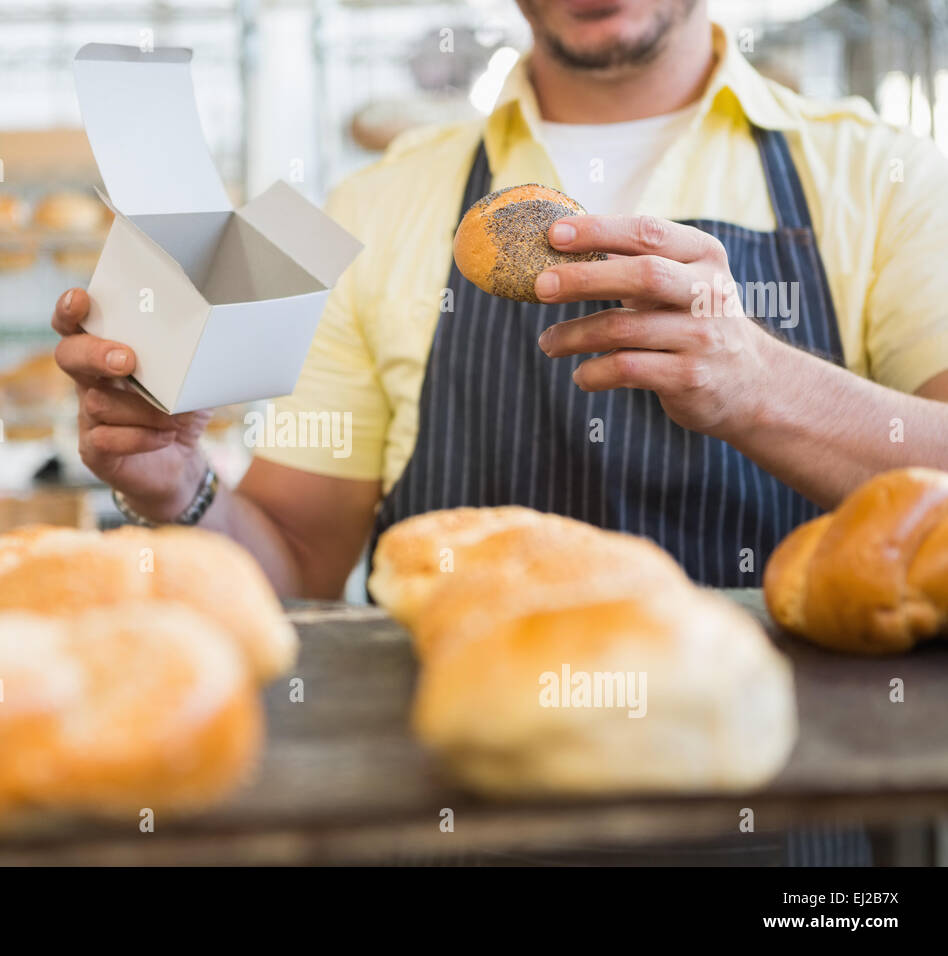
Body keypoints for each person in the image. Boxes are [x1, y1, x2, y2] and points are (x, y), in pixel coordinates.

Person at [54, 1, 948, 862]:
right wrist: (180, 481)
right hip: (453, 797)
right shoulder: (379, 207)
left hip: (785, 800)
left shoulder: (886, 177)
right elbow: (293, 559)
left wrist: (764, 386)